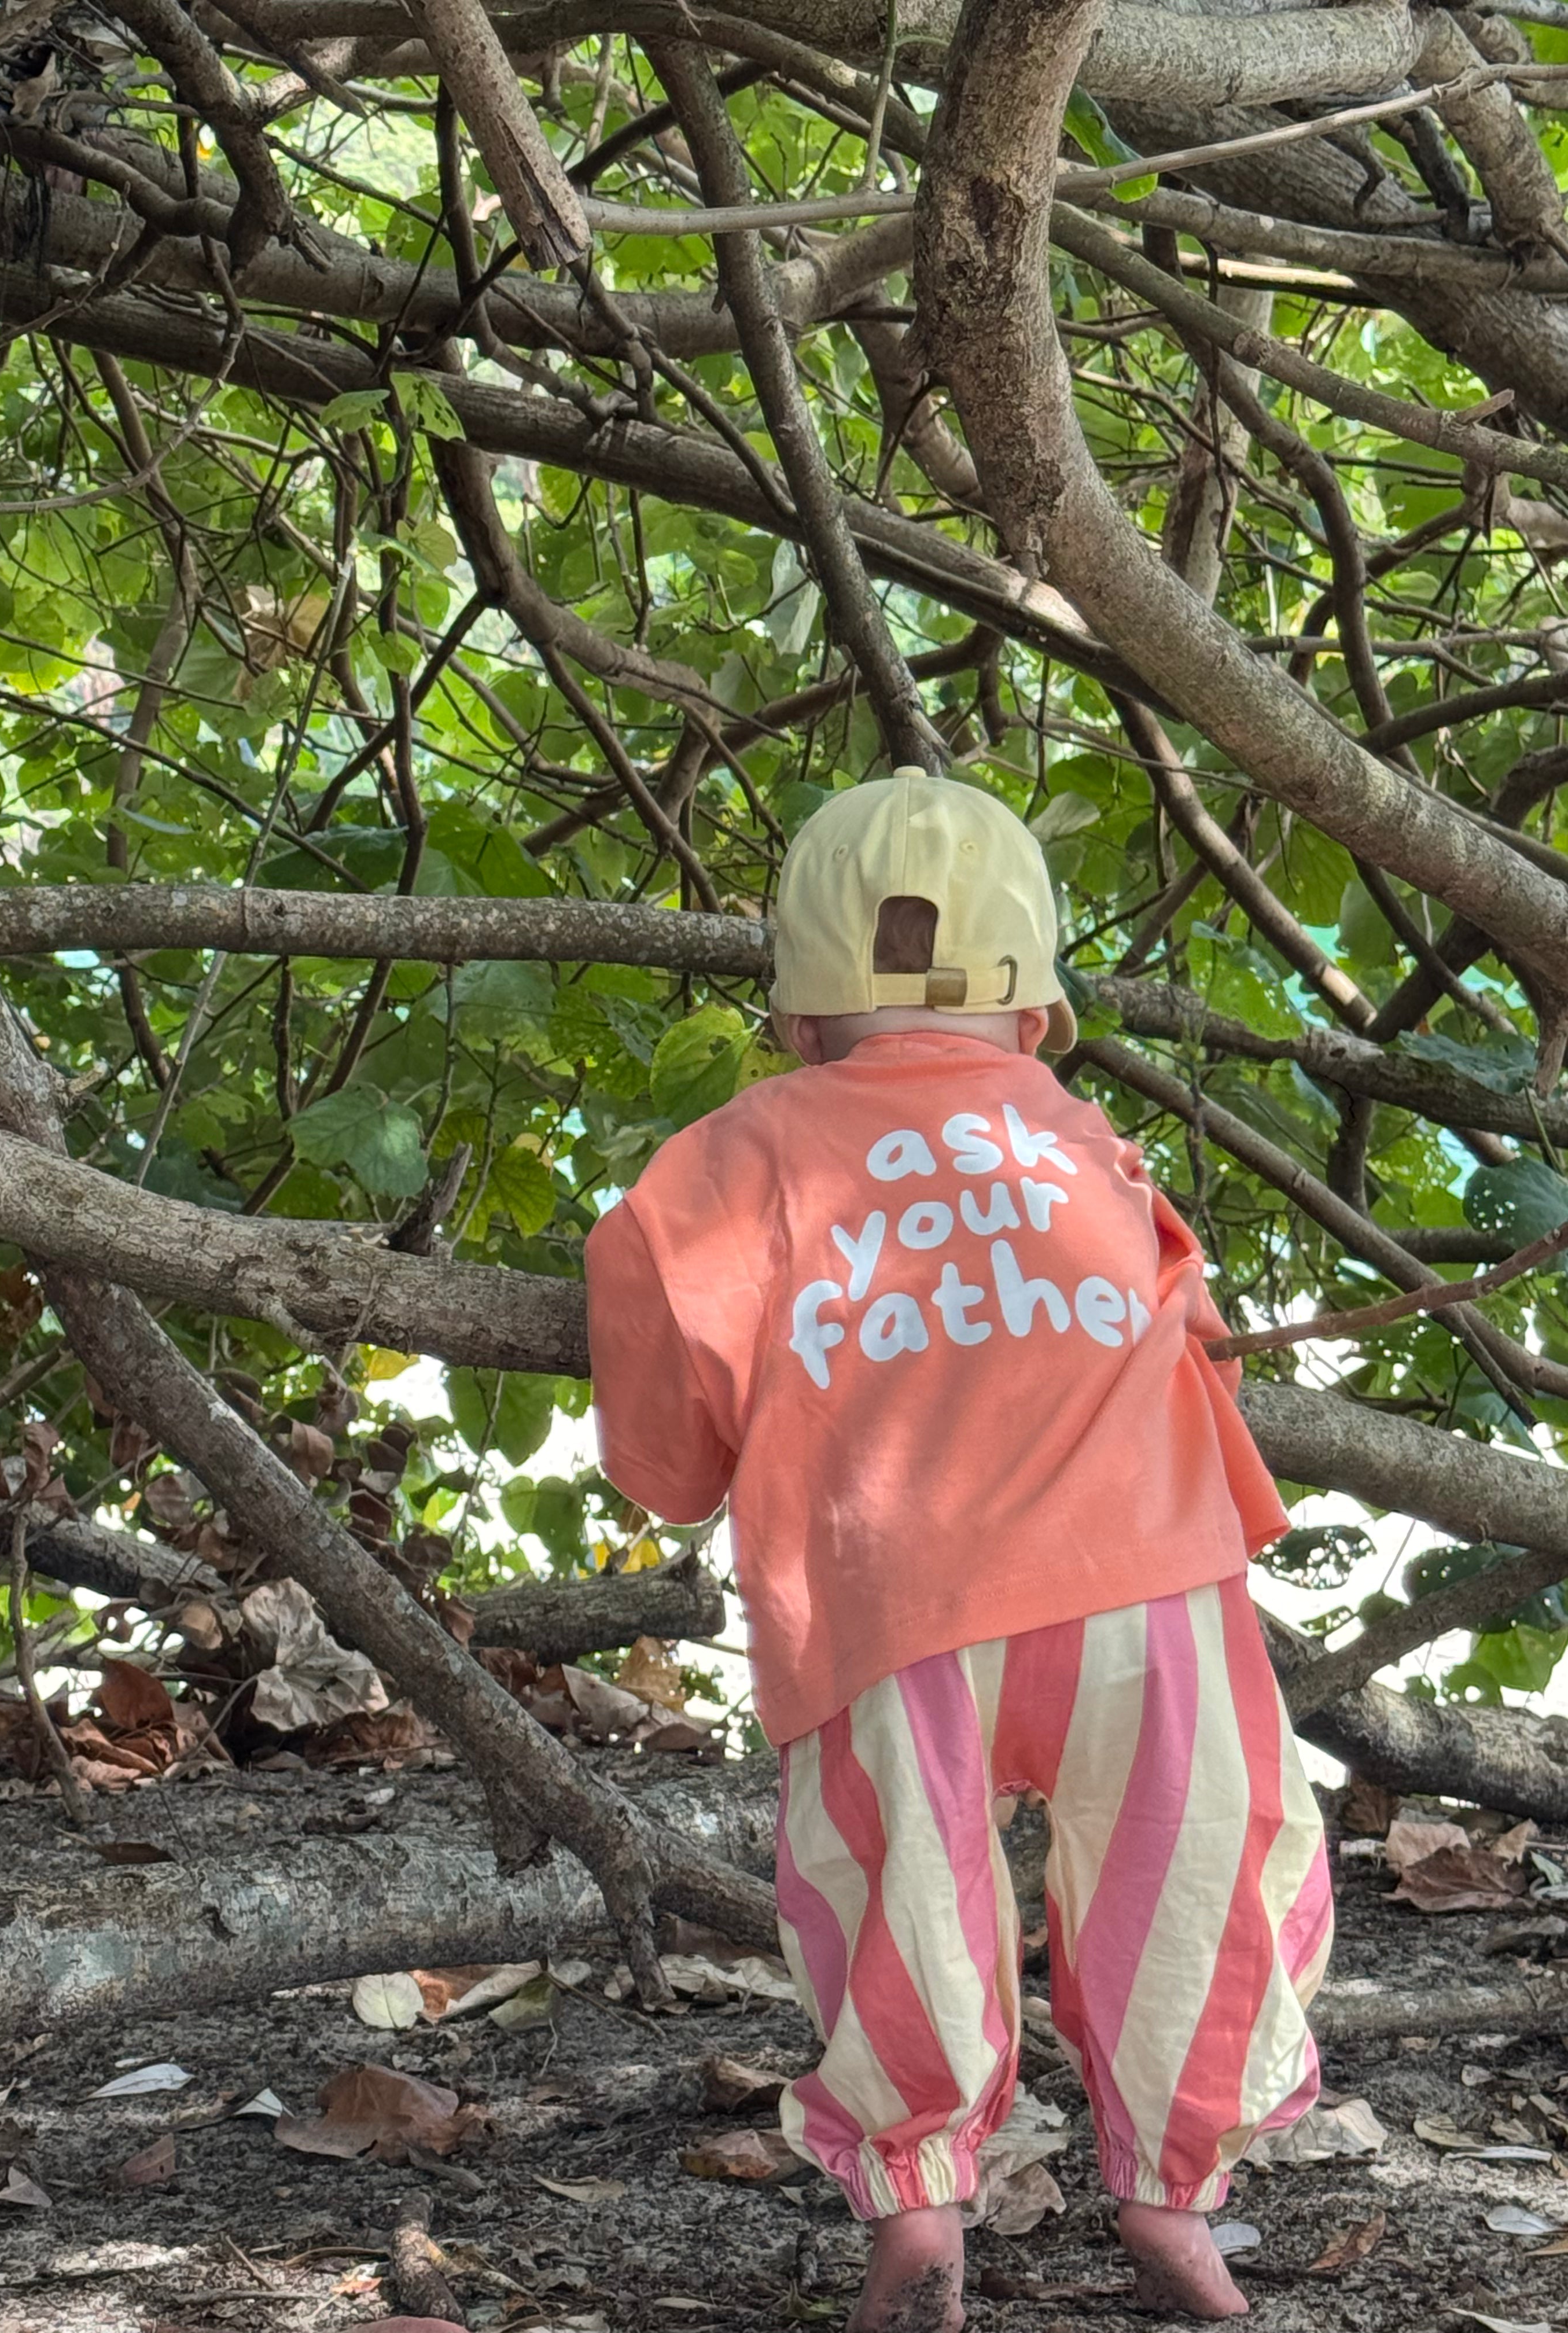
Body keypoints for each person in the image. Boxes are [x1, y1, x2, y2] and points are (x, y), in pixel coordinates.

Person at [583, 768, 1332, 2331]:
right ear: (1039, 1016)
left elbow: (666, 1453)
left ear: (794, 1021)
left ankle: (920, 2211)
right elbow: (1201, 1344)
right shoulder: (1087, 1143)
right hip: (1150, 1593)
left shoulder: (730, 1161)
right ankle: (1178, 2200)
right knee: (1197, 1890)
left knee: (898, 1904)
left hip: (893, 1605)